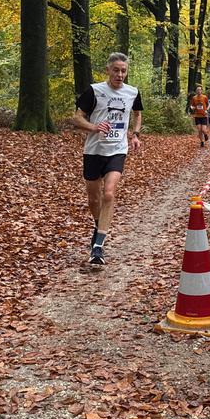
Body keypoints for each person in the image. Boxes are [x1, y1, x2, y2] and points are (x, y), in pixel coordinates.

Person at [73, 53, 143, 266]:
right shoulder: (94, 91)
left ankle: (98, 246)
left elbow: (137, 113)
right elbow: (76, 117)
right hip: (94, 151)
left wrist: (135, 134)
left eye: (123, 71)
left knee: (109, 193)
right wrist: (94, 127)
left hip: (117, 150)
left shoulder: (132, 92)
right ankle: (98, 225)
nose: (120, 75)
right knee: (93, 200)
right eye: (116, 70)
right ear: (108, 70)